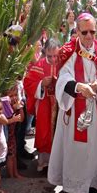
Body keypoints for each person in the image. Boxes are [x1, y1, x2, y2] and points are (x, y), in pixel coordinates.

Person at [48, 13, 97, 193]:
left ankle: (95, 183)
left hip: (96, 105)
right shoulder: (68, 50)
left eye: (93, 31)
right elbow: (63, 78)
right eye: (85, 32)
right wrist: (78, 86)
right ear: (77, 31)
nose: (90, 36)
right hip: (75, 106)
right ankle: (74, 186)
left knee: (95, 147)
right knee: (75, 148)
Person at [23, 39, 59, 172]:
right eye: (50, 56)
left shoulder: (64, 64)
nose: (54, 59)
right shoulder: (39, 65)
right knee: (44, 131)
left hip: (60, 105)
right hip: (44, 104)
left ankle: (58, 163)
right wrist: (41, 84)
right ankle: (44, 163)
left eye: (56, 56)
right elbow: (28, 83)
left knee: (58, 132)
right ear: (45, 53)